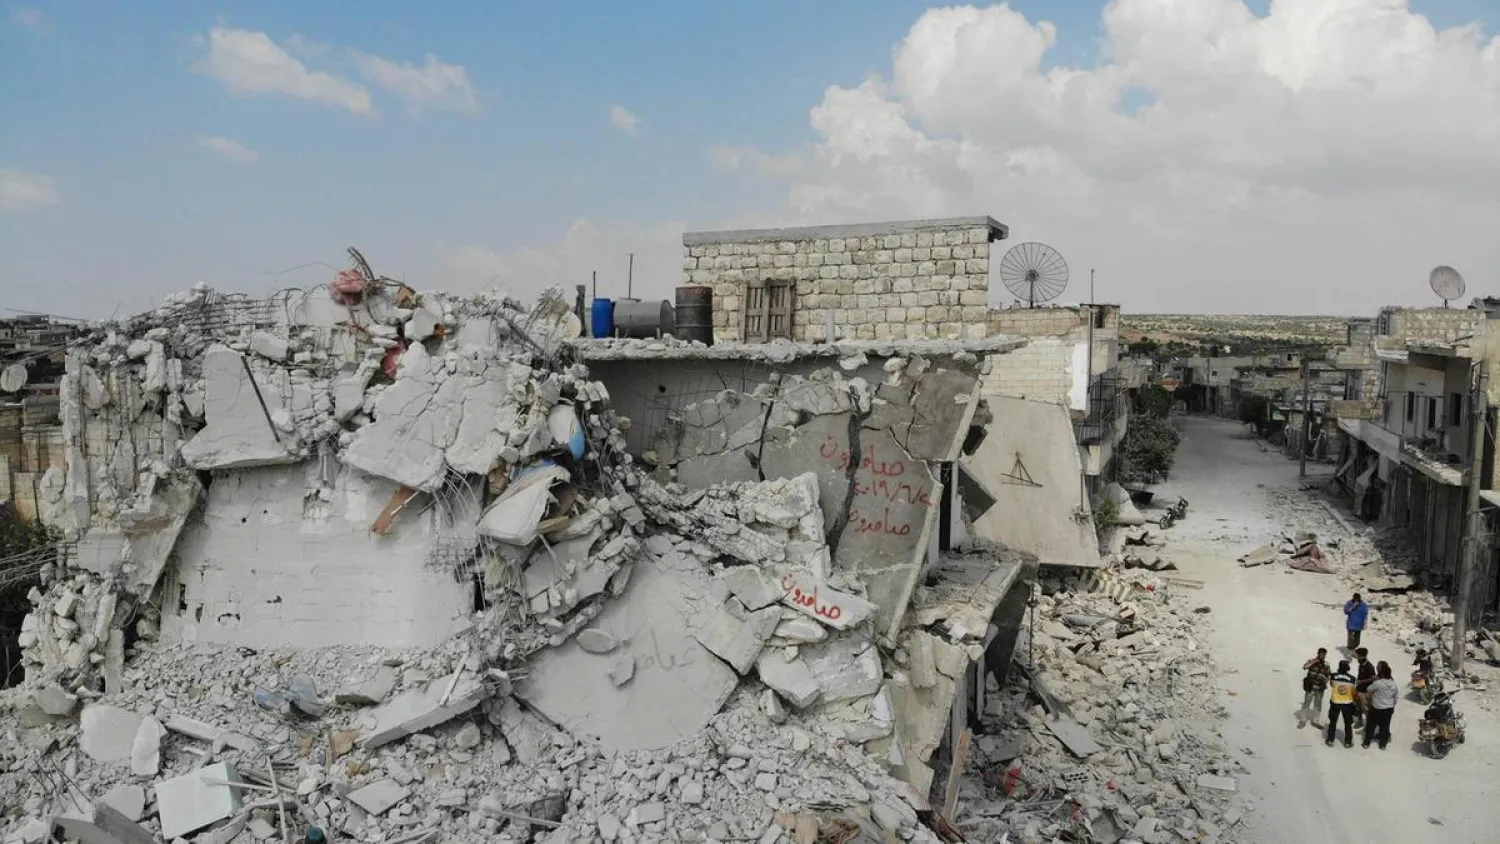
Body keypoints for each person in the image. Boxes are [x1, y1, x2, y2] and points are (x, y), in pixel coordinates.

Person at [1362, 661, 1398, 749]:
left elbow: (1368, 689)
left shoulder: (1378, 683)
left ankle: (1367, 743)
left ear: (1381, 673)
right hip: (1388, 709)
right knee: (1385, 726)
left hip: (1376, 708)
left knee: (1371, 725)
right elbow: (1396, 698)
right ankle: (1383, 744)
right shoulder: (1394, 684)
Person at [1326, 660, 1359, 747]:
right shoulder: (1352, 679)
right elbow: (1353, 692)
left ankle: (1330, 740)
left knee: (1333, 722)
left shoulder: (1333, 676)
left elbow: (1332, 685)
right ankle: (1348, 742)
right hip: (1347, 703)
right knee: (1348, 723)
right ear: (1348, 668)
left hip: (1335, 702)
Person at [1299, 648, 1332, 729]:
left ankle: (1316, 721)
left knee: (1318, 705)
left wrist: (1325, 680)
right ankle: (1302, 721)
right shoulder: (1311, 661)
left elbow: (1328, 676)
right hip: (1311, 687)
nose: (1322, 656)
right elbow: (1305, 667)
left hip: (1320, 688)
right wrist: (1314, 662)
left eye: (1324, 654)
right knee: (1307, 703)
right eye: (1321, 654)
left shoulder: (1327, 664)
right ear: (1318, 653)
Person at [1353, 647, 1376, 728]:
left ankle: (1370, 725)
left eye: (1358, 655)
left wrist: (1361, 681)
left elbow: (1373, 678)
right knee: (1358, 706)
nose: (1357, 657)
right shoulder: (1361, 664)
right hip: (1359, 689)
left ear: (1363, 656)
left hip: (1365, 691)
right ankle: (1359, 722)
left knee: (1366, 708)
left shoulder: (1369, 666)